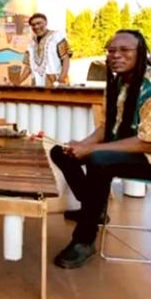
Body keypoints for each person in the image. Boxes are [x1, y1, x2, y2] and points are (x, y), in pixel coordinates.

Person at [49, 29, 151, 269]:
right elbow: (108, 127)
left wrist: (93, 150)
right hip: (124, 152)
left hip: (146, 157)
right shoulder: (116, 83)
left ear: (141, 53)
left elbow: (147, 142)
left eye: (124, 50)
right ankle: (93, 209)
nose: (116, 55)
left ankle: (84, 239)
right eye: (112, 50)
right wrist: (82, 145)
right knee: (60, 151)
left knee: (99, 159)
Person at [16, 13, 71, 87]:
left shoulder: (56, 37)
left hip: (54, 81)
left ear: (46, 22)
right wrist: (17, 82)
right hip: (36, 83)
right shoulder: (31, 43)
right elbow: (28, 67)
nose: (36, 26)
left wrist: (60, 80)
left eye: (39, 23)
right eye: (33, 25)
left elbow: (65, 59)